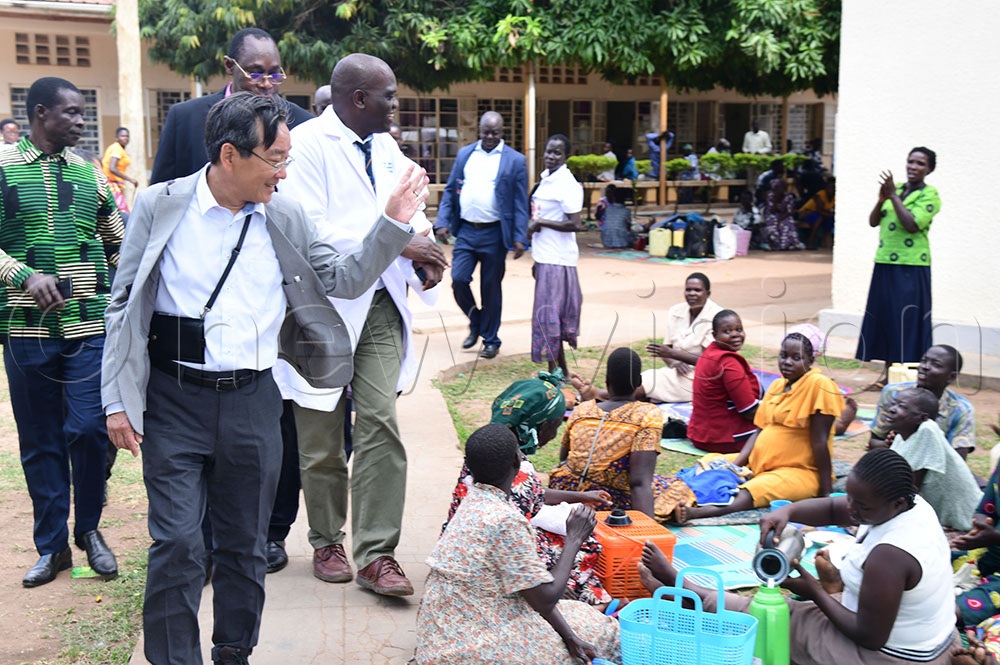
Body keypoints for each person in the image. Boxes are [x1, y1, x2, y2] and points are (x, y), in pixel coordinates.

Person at [101, 92, 425, 665]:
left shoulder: (286, 215)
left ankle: (234, 652)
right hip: (173, 400)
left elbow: (344, 279)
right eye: (275, 159)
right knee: (177, 542)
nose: (284, 171)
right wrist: (116, 401)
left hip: (254, 402)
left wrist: (392, 224)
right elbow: (123, 303)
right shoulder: (159, 206)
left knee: (244, 546)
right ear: (230, 155)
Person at [273, 53, 447, 598]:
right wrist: (399, 238)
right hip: (318, 309)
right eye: (389, 96)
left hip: (378, 304)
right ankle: (327, 540)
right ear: (358, 100)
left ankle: (377, 555)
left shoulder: (387, 147)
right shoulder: (306, 149)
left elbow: (411, 207)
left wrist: (424, 249)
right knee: (321, 434)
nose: (397, 105)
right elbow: (314, 232)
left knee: (379, 422)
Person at [640, 448, 960, 665]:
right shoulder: (913, 505)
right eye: (850, 496)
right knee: (786, 609)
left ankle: (687, 596)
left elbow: (870, 636)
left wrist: (815, 591)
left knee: (774, 616)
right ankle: (692, 593)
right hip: (934, 640)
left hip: (889, 657)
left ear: (898, 504)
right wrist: (788, 512)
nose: (851, 509)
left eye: (862, 507)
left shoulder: (889, 556)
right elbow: (837, 508)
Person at [0, 76, 125, 588]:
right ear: (41, 113)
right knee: (40, 441)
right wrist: (22, 275)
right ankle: (51, 549)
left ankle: (90, 530)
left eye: (82, 113)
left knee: (91, 430)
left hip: (88, 324)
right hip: (24, 329)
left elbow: (117, 242)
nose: (81, 121)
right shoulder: (3, 169)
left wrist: (127, 296)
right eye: (72, 113)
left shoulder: (89, 174)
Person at [416, 424, 620, 664]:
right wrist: (574, 538)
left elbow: (532, 592)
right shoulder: (506, 521)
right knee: (607, 633)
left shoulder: (473, 502)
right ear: (516, 462)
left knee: (580, 614)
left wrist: (570, 637)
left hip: (441, 635)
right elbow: (546, 598)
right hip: (470, 646)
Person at [446, 372, 616, 606]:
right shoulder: (517, 466)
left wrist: (581, 496)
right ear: (541, 426)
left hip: (463, 549)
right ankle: (573, 599)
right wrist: (574, 538)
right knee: (584, 545)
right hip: (488, 567)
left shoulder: (491, 449)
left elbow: (530, 492)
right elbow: (518, 537)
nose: (555, 434)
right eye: (556, 425)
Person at [676, 332, 844, 521]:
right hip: (757, 465)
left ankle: (696, 512)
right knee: (712, 462)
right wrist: (736, 465)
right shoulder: (777, 386)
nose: (787, 362)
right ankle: (681, 497)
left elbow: (820, 441)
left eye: (796, 358)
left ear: (810, 360)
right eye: (783, 356)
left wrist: (826, 493)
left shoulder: (819, 385)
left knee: (757, 488)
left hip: (799, 471)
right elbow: (760, 430)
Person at [150, 27, 313, 184]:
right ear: (229, 65)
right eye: (255, 74)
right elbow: (162, 192)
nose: (266, 84)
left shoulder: (303, 124)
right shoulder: (186, 118)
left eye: (274, 74)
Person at [549, 348, 696, 521]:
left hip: (565, 493)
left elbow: (564, 459)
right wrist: (646, 531)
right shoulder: (646, 415)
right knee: (677, 488)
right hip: (607, 500)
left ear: (607, 381)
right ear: (639, 382)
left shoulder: (582, 409)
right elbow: (639, 482)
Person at [434, 110, 529, 359]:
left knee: (490, 288)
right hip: (466, 230)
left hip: (495, 233)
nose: (489, 136)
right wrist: (442, 222)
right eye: (485, 131)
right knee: (459, 278)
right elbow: (450, 188)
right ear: (479, 129)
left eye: (494, 132)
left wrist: (520, 237)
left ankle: (490, 339)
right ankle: (476, 320)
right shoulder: (466, 154)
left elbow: (520, 202)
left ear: (502, 132)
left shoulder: (515, 160)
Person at [855, 147, 940, 385]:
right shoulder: (897, 190)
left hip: (911, 266)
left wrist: (893, 196)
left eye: (920, 163)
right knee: (886, 317)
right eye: (911, 161)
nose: (913, 166)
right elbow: (873, 222)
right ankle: (887, 374)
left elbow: (912, 224)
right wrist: (882, 198)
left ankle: (907, 378)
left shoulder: (930, 195)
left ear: (929, 169)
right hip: (884, 262)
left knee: (907, 319)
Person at [883, 387, 981, 530]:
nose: (892, 409)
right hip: (935, 511)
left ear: (922, 418)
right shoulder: (902, 434)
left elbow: (910, 490)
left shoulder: (927, 431)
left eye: (902, 407)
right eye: (894, 403)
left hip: (963, 517)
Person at [530, 133, 583, 376]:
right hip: (544, 257)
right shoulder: (546, 179)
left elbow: (575, 223)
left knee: (550, 317)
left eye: (557, 153)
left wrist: (542, 222)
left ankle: (554, 372)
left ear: (566, 156)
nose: (551, 156)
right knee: (552, 316)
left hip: (558, 260)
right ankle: (561, 368)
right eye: (549, 151)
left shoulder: (567, 183)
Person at [869, 345, 975, 460]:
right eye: (924, 361)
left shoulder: (960, 410)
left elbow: (958, 459)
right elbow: (874, 442)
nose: (925, 367)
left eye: (936, 365)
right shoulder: (893, 393)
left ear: (951, 377)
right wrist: (889, 445)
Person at [637, 272, 723, 403]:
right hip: (676, 372)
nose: (692, 293)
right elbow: (667, 349)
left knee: (644, 385)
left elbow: (710, 362)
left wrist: (673, 354)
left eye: (697, 290)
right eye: (688, 290)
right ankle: (601, 398)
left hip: (702, 378)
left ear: (708, 293)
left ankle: (600, 396)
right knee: (640, 389)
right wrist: (674, 362)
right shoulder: (676, 311)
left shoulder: (717, 316)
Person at [687, 310, 761, 454]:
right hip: (722, 439)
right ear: (715, 336)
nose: (735, 334)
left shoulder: (709, 353)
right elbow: (748, 411)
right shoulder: (728, 363)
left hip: (699, 434)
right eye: (727, 331)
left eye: (739, 330)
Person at [101, 127, 139, 214]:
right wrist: (130, 179)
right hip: (112, 184)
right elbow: (112, 168)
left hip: (115, 184)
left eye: (127, 136)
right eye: (122, 136)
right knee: (122, 212)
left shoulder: (119, 149)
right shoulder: (117, 149)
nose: (125, 138)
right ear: (117, 138)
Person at [762, 178, 805, 251]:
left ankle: (789, 244)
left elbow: (789, 211)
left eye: (781, 187)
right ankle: (774, 244)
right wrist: (776, 200)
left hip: (785, 215)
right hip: (773, 215)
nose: (779, 189)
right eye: (776, 188)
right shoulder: (770, 196)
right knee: (772, 222)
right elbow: (771, 209)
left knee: (787, 222)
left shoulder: (789, 196)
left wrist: (781, 219)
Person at [797, 175, 835, 249]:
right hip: (805, 213)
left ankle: (826, 243)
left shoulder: (834, 197)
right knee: (819, 219)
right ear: (826, 187)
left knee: (829, 220)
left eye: (834, 188)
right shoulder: (820, 195)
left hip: (821, 214)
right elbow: (819, 211)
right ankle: (810, 243)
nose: (832, 190)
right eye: (830, 187)